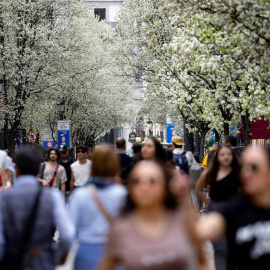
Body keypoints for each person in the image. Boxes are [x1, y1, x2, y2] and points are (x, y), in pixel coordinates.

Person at [99, 160, 207, 270]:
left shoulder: (181, 220)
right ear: (130, 188)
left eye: (152, 181)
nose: (144, 187)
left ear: (165, 186)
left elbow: (202, 261)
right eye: (137, 181)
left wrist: (185, 200)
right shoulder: (120, 230)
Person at [0, 148, 75, 270]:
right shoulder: (52, 197)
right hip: (43, 261)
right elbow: (67, 235)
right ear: (37, 170)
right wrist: (60, 256)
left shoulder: (5, 198)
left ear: (17, 169)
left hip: (13, 261)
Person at [196, 146, 270, 269]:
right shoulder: (235, 210)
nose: (246, 173)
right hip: (217, 209)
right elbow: (199, 232)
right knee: (221, 251)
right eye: (244, 168)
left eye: (254, 167)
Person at [70, 145, 127, 270]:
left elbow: (70, 230)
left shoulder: (81, 194)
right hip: (115, 251)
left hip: (87, 250)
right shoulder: (122, 194)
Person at [195, 145, 241, 270]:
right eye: (222, 154)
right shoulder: (212, 172)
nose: (226, 157)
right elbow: (198, 188)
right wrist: (209, 202)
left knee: (235, 247)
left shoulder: (238, 172)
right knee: (221, 248)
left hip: (234, 214)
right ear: (217, 158)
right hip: (216, 214)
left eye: (229, 154)